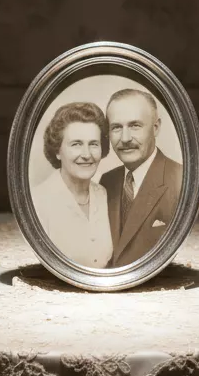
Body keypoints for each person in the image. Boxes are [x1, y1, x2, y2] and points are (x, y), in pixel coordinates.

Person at [101, 88, 183, 266]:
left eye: (135, 126)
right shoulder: (107, 181)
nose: (125, 138)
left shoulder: (181, 180)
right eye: (116, 127)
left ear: (156, 127)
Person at [32, 102, 114, 267]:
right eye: (76, 144)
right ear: (57, 151)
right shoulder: (37, 201)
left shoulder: (104, 194)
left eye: (93, 144)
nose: (86, 154)